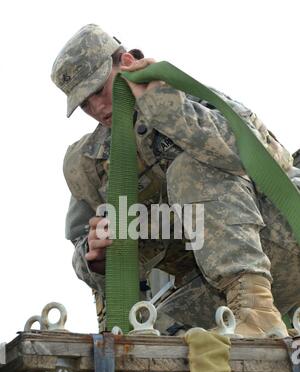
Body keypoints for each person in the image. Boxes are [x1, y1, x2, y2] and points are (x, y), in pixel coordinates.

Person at [51, 24, 300, 337]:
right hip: (214, 285)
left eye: (100, 89)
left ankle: (256, 309)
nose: (97, 108)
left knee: (188, 170)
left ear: (126, 62)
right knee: (153, 341)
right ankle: (251, 319)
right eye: (85, 103)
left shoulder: (185, 97)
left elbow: (268, 158)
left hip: (286, 239)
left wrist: (164, 105)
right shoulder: (90, 165)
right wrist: (95, 256)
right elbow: (80, 248)